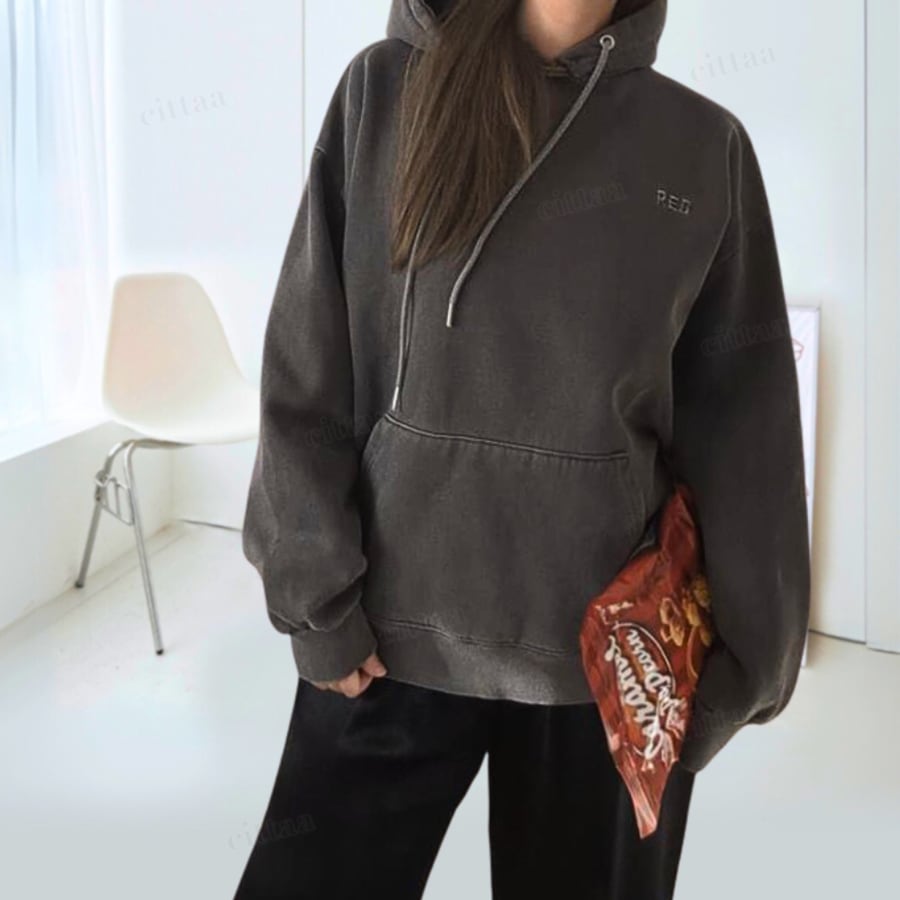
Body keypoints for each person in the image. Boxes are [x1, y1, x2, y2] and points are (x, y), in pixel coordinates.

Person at [234, 0, 811, 897]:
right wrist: (316, 604)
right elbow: (310, 365)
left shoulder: (703, 147)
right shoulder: (384, 92)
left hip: (605, 666)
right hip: (384, 636)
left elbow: (747, 428)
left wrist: (744, 666)